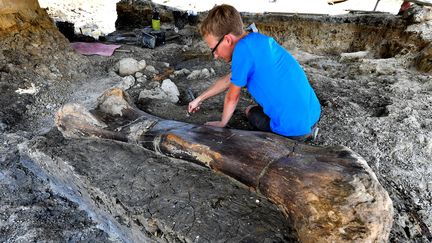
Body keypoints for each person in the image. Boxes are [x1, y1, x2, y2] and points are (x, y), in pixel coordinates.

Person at [188, 4, 321, 141]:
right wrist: (199, 99)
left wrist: (222, 123)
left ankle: (294, 137)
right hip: (313, 116)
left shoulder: (241, 50)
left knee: (250, 110)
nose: (215, 55)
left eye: (214, 49)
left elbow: (232, 98)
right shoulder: (257, 40)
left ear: (227, 40)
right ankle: (307, 132)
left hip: (294, 130)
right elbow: (230, 79)